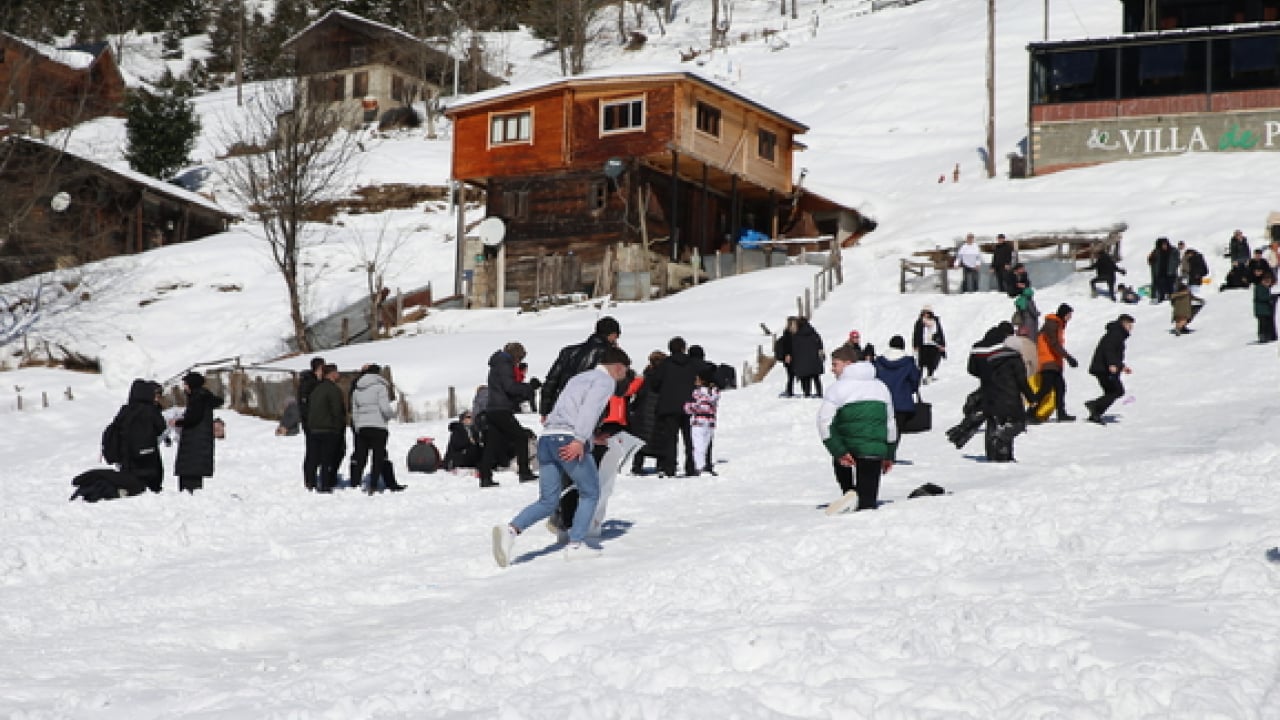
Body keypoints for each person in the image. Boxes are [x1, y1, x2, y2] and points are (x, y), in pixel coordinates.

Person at [491, 346, 633, 566]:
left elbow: (564, 409)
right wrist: (579, 439)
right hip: (569, 439)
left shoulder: (578, 378)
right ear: (617, 367)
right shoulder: (605, 381)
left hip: (547, 438)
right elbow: (589, 410)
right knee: (590, 492)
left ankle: (511, 530)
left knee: (548, 500)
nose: (624, 377)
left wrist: (588, 437)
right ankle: (576, 544)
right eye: (625, 372)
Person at [817, 345, 897, 513]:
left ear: (847, 364)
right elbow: (891, 424)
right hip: (873, 452)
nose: (832, 370)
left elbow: (824, 423)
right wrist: (889, 454)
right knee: (868, 506)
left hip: (848, 450)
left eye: (835, 364)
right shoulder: (881, 387)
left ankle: (850, 493)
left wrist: (839, 452)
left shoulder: (837, 388)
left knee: (852, 493)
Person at [478, 342, 539, 488]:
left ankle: (485, 476)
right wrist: (529, 388)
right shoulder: (505, 364)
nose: (519, 363)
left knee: (492, 444)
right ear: (515, 355)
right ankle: (524, 471)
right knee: (522, 436)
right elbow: (510, 387)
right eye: (519, 358)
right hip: (501, 409)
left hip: (492, 408)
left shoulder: (496, 364)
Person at [538, 316, 621, 418]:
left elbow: (551, 382)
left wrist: (545, 411)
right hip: (590, 413)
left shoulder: (568, 352)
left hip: (562, 408)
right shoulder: (610, 356)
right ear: (613, 335)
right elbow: (619, 388)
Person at [648, 337, 701, 477]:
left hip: (668, 405)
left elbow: (655, 383)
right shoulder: (692, 363)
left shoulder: (665, 364)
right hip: (689, 404)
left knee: (670, 438)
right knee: (689, 438)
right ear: (684, 348)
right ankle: (691, 466)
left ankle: (669, 467)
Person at [981, 336, 1039, 462]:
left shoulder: (991, 360)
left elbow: (985, 381)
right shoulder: (1015, 360)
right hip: (1010, 398)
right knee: (1017, 424)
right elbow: (1022, 382)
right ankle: (1004, 449)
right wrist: (1031, 398)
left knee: (997, 425)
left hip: (992, 399)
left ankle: (997, 456)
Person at [349, 364, 403, 494]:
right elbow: (385, 408)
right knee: (378, 457)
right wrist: (391, 416)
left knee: (361, 456)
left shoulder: (357, 389)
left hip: (362, 427)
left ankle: (355, 484)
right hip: (378, 427)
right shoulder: (380, 387)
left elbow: (354, 411)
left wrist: (358, 425)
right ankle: (373, 485)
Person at [107, 379, 168, 493]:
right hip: (148, 459)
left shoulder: (125, 410)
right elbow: (161, 428)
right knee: (151, 487)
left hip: (128, 459)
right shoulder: (150, 410)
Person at [172, 371, 225, 493]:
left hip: (194, 444)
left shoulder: (197, 398)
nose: (184, 387)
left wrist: (178, 422)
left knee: (189, 483)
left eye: (185, 384)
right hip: (200, 444)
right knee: (194, 480)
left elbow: (193, 418)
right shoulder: (203, 398)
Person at [1085, 314, 1135, 425]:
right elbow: (1109, 350)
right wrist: (1112, 364)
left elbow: (1113, 353)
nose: (1131, 327)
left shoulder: (1117, 333)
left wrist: (1122, 367)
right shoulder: (1116, 333)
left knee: (1111, 392)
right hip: (1104, 368)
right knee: (1117, 391)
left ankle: (1095, 413)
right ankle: (1094, 405)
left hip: (1103, 367)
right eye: (1129, 324)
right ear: (1124, 323)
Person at [304, 364, 346, 493]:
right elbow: (337, 410)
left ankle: (310, 481)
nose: (338, 375)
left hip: (314, 428)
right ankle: (325, 484)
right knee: (327, 459)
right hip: (328, 428)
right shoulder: (333, 390)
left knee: (313, 456)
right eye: (337, 372)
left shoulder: (316, 389)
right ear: (332, 374)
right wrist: (339, 427)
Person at [1035, 303, 1079, 422]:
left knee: (1060, 387)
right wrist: (1068, 357)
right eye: (1069, 314)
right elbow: (1054, 344)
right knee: (1045, 389)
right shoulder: (1052, 324)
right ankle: (1031, 413)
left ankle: (1061, 413)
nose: (1070, 317)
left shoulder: (1057, 325)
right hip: (1048, 361)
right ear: (1064, 314)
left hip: (1054, 362)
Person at [872, 335, 922, 437]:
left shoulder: (879, 362)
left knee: (882, 435)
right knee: (895, 436)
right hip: (902, 405)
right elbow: (915, 380)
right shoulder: (908, 363)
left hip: (882, 403)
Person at [683, 366, 720, 476]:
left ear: (702, 380)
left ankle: (700, 467)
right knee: (705, 444)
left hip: (698, 422)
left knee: (698, 446)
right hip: (710, 422)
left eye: (697, 379)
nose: (695, 381)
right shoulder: (714, 393)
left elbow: (699, 407)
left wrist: (688, 407)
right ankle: (703, 466)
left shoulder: (698, 393)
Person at [297, 356, 325, 490]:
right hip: (311, 423)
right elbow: (305, 405)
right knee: (312, 452)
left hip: (314, 422)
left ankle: (312, 478)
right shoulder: (309, 383)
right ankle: (310, 479)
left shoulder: (314, 382)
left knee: (316, 451)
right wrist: (309, 420)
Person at [790, 317, 825, 398]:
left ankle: (807, 393)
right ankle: (819, 392)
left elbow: (795, 350)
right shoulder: (814, 333)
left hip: (802, 361)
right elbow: (820, 345)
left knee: (805, 377)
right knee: (816, 377)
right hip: (814, 360)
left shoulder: (797, 336)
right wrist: (821, 356)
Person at [911, 306, 946, 384]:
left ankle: (929, 376)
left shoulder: (935, 321)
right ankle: (919, 378)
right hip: (923, 345)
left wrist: (942, 344)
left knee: (932, 362)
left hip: (934, 345)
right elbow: (916, 333)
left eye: (927, 312)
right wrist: (915, 344)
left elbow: (940, 332)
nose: (926, 314)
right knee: (921, 363)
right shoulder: (919, 322)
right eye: (924, 312)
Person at [1147, 237, 1178, 303]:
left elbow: (1177, 261)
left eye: (1165, 244)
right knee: (1161, 288)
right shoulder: (1156, 252)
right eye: (1163, 245)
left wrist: (1174, 267)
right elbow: (1150, 261)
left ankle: (1172, 300)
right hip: (1160, 274)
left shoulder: (1173, 251)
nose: (1164, 246)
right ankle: (1161, 299)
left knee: (1171, 288)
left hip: (1171, 274)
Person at [774, 316, 799, 397]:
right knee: (791, 375)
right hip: (789, 358)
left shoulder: (794, 333)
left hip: (794, 357)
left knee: (792, 375)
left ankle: (789, 391)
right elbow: (787, 346)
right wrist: (787, 355)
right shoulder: (788, 334)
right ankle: (789, 391)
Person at [1254, 273, 1277, 343]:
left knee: (1268, 324)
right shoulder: (1259, 287)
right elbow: (1261, 297)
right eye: (1267, 281)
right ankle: (1263, 337)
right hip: (1261, 310)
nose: (1268, 283)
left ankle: (1269, 336)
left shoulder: (1266, 288)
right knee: (1262, 325)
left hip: (1266, 310)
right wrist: (1270, 298)